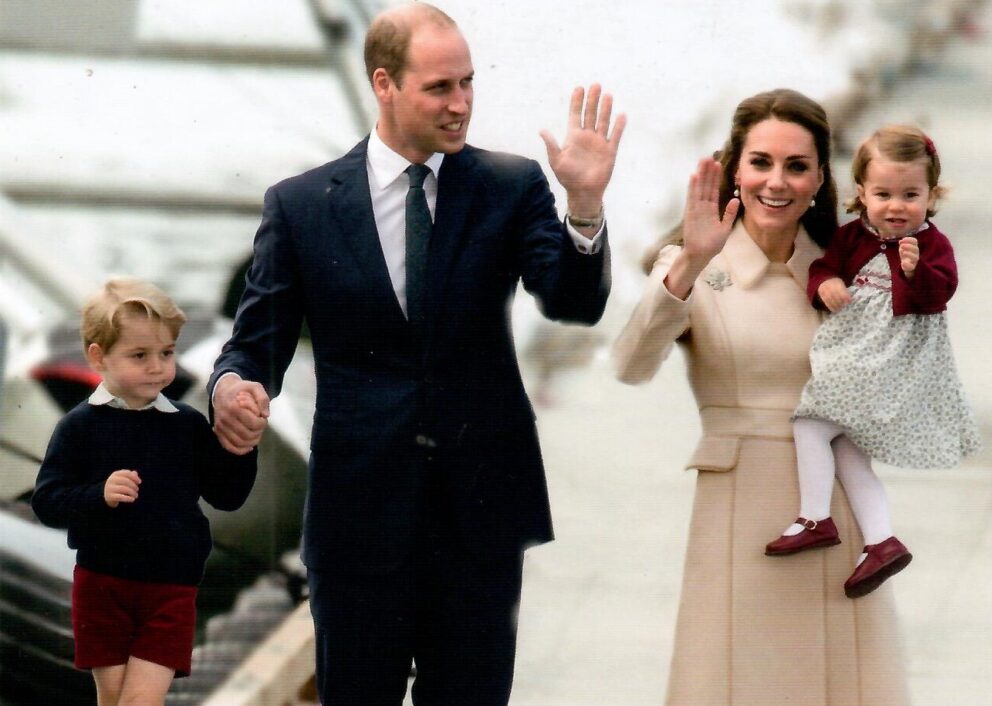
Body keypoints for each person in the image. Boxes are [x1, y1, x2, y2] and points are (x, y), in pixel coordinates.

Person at [207, 3, 625, 704]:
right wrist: (231, 390)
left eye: (468, 84)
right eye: (440, 88)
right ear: (385, 84)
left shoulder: (511, 184)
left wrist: (583, 205)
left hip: (481, 521)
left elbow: (572, 302)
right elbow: (255, 347)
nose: (461, 104)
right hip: (357, 520)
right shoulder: (301, 205)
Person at [613, 89, 908, 705]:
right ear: (734, 169)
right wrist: (690, 264)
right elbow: (631, 364)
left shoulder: (843, 269)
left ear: (819, 177)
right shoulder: (694, 264)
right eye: (761, 162)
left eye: (796, 166)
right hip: (739, 507)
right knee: (735, 679)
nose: (777, 182)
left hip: (832, 509)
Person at [766, 125, 980, 598]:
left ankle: (815, 517)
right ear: (861, 194)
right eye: (883, 194)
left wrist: (914, 269)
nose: (896, 206)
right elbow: (824, 267)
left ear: (932, 194)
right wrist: (823, 285)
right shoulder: (853, 237)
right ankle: (880, 540)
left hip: (888, 362)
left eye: (910, 194)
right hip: (857, 351)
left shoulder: (932, 245)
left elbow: (938, 293)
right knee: (847, 449)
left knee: (811, 424)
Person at [31, 278, 257, 706]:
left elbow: (227, 495)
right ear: (98, 357)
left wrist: (242, 448)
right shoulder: (78, 426)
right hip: (101, 588)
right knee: (113, 699)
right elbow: (47, 502)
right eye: (140, 355)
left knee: (139, 702)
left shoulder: (188, 425)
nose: (157, 367)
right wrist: (98, 494)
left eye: (166, 353)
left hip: (169, 590)